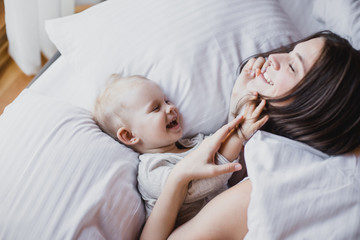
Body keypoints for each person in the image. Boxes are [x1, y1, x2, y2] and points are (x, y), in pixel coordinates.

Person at [140, 31, 360, 239]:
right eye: (291, 51)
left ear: (316, 107)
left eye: (292, 67)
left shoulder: (260, 194)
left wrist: (178, 177)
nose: (273, 57)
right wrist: (236, 110)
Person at [92, 75, 268, 226]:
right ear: (130, 136)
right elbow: (198, 185)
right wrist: (239, 136)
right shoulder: (152, 170)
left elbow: (226, 145)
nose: (170, 108)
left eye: (166, 101)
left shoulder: (195, 142)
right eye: (155, 108)